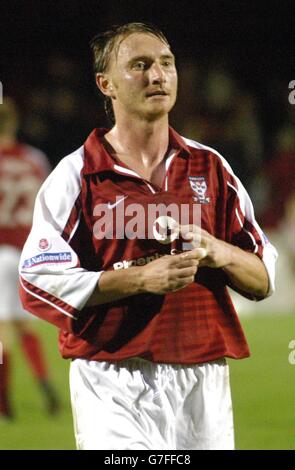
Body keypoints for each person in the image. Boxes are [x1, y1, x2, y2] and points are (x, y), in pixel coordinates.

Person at [19, 23, 277, 450]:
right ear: (106, 85)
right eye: (139, 66)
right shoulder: (76, 174)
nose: (157, 76)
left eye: (166, 64)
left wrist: (217, 251)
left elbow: (264, 278)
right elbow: (37, 280)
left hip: (202, 377)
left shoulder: (211, 167)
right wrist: (140, 279)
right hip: (111, 377)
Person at [0, 98, 59, 419]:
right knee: (23, 322)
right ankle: (44, 381)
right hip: (27, 253)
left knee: (2, 330)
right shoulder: (34, 159)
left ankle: (3, 400)